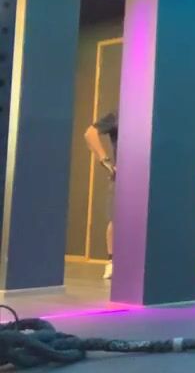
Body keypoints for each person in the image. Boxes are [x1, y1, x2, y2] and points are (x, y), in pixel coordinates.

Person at [83, 111, 118, 280]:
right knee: (116, 219)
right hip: (122, 177)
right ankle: (112, 261)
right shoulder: (118, 116)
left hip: (146, 175)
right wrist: (104, 160)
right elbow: (90, 133)